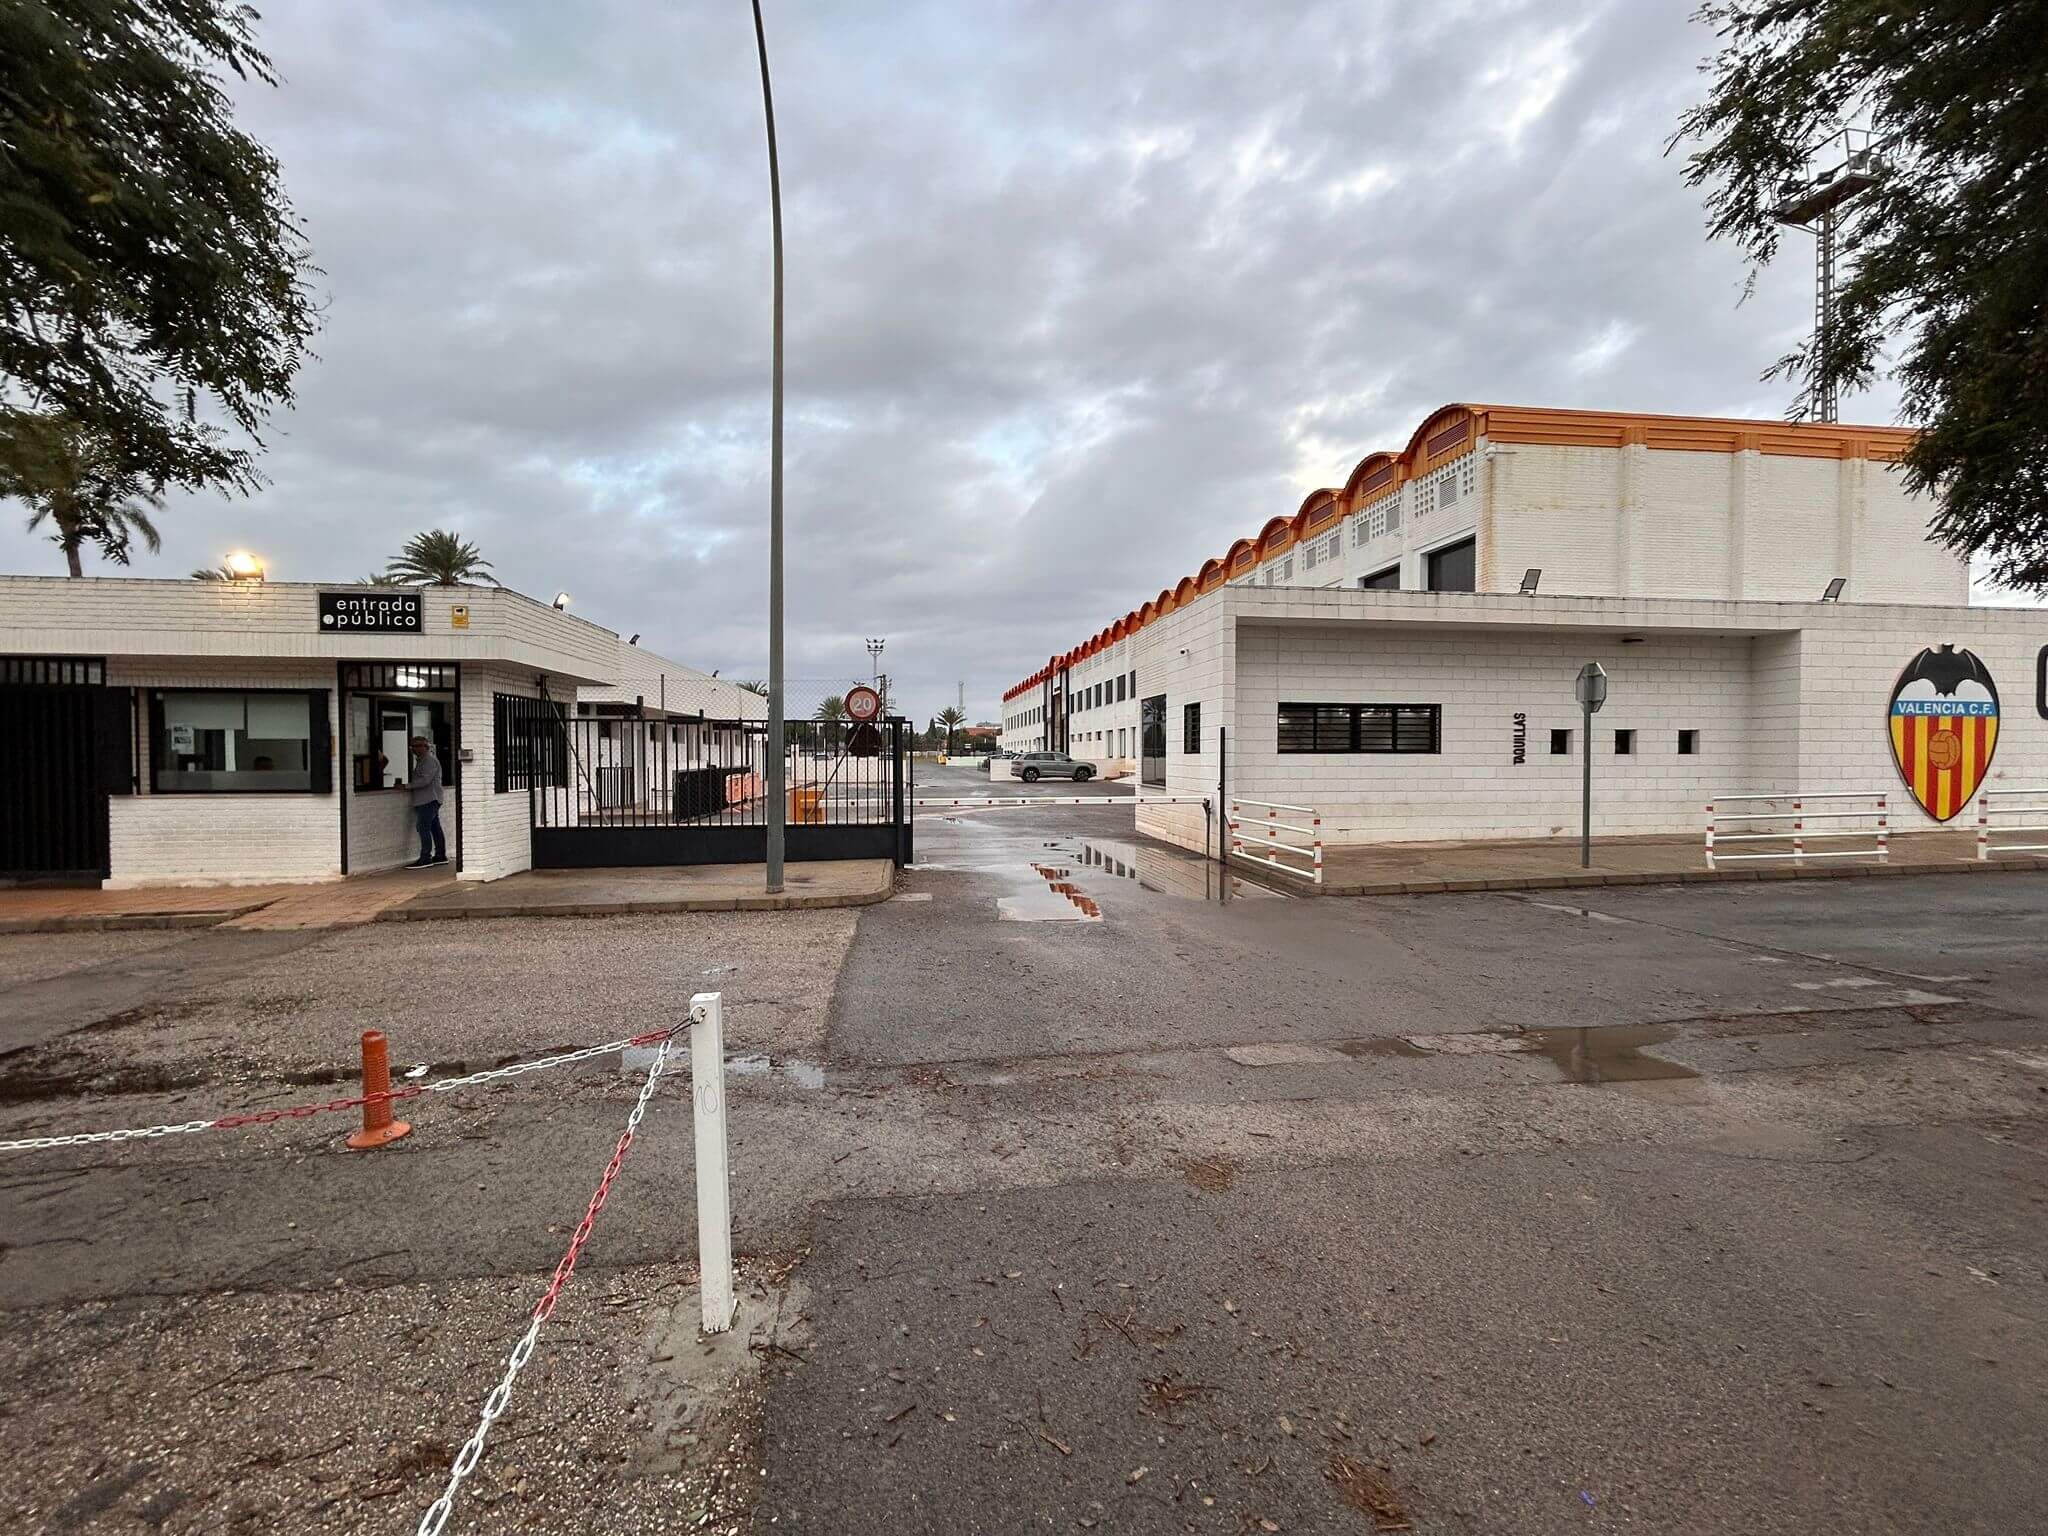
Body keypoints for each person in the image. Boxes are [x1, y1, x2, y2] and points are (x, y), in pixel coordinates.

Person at [407, 735, 447, 868]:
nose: (415, 748)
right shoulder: (422, 760)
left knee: (422, 826)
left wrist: (407, 786)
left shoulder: (429, 761)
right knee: (435, 827)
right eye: (413, 746)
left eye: (419, 745)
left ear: (426, 747)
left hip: (429, 799)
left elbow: (425, 780)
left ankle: (425, 858)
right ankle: (440, 855)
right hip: (427, 799)